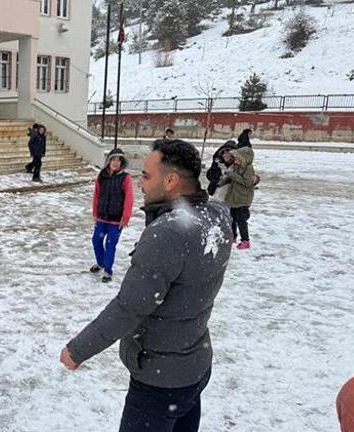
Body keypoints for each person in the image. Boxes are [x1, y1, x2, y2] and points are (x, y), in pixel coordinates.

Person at [61, 139, 233, 432]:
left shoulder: (167, 235)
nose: (140, 183)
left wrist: (77, 350)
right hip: (195, 366)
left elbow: (128, 308)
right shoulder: (216, 214)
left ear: (171, 181)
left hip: (160, 382)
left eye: (146, 176)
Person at [90, 148, 134, 283]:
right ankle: (101, 263)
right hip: (102, 217)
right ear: (108, 161)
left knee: (110, 244)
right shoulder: (102, 176)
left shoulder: (125, 178)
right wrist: (95, 212)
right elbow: (97, 195)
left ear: (122, 162)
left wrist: (125, 217)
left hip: (116, 220)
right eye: (113, 159)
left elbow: (129, 198)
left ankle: (108, 271)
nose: (115, 162)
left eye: (118, 160)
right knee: (96, 240)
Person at [223, 146, 256, 249]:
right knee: (232, 218)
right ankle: (233, 237)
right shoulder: (237, 166)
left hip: (242, 199)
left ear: (244, 158)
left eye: (237, 158)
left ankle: (245, 240)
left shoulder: (249, 168)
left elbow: (246, 182)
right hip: (234, 197)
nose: (235, 160)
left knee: (241, 220)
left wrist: (232, 175)